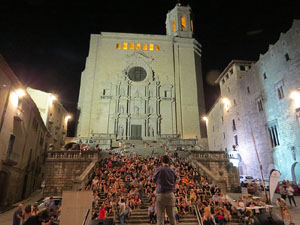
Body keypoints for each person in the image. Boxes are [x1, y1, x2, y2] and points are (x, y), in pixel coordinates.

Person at [153, 155, 177, 225]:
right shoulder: (172, 171)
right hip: (170, 194)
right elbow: (174, 181)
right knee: (172, 217)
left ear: (162, 161)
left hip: (161, 194)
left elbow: (153, 179)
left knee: (160, 218)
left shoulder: (159, 169)